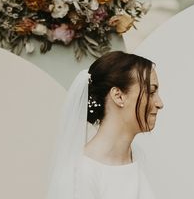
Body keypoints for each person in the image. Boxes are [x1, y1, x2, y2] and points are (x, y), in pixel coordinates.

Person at [46, 51, 164, 199]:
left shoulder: (136, 158)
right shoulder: (82, 172)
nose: (160, 104)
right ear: (118, 96)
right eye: (151, 92)